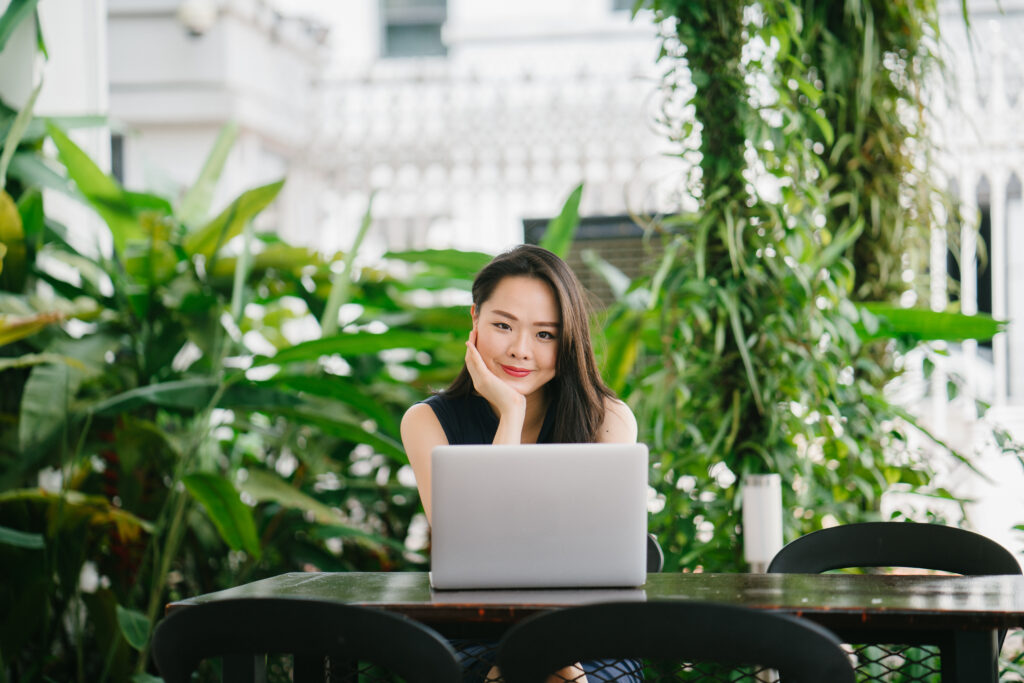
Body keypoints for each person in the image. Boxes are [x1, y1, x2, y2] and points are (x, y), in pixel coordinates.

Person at [400, 244, 641, 683]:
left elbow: (595, 562)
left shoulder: (607, 420)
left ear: (568, 340)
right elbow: (474, 555)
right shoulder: (426, 423)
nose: (520, 350)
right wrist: (509, 414)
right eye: (503, 326)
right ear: (474, 319)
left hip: (589, 637)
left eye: (545, 334)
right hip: (475, 634)